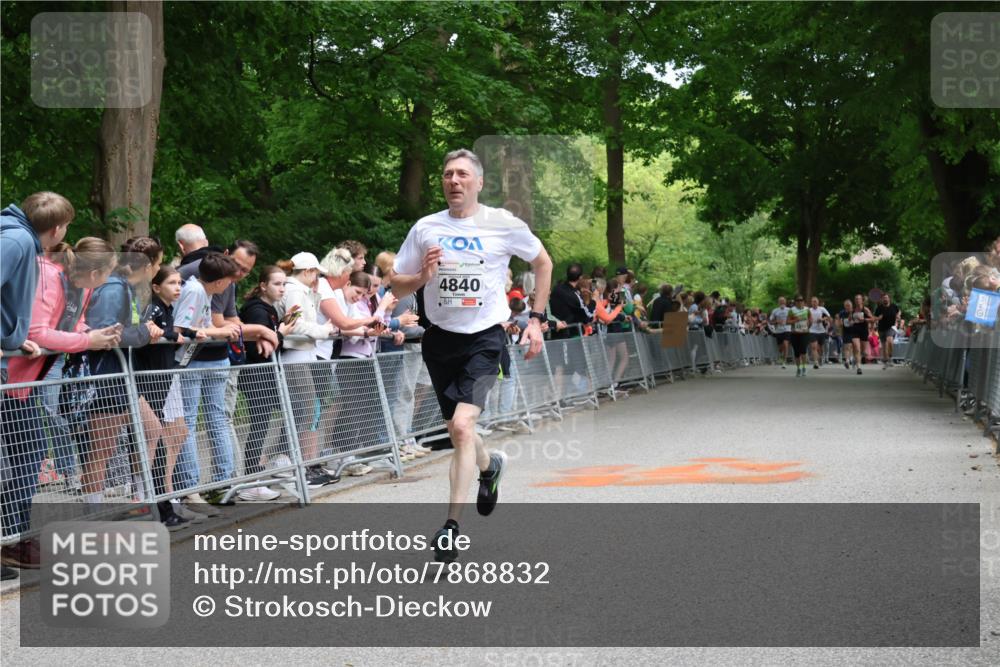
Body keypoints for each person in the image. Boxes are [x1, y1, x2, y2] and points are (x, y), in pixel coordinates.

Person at [391, 148, 553, 563]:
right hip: (440, 339)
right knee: (460, 431)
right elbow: (396, 284)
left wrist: (535, 318)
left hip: (486, 338)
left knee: (462, 426)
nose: (454, 181)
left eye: (463, 174)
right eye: (447, 174)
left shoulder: (503, 224)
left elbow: (543, 261)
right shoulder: (426, 227)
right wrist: (423, 277)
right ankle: (489, 466)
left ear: (479, 183)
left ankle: (450, 527)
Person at [1, 192, 76, 576]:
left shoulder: (18, 240)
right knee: (24, 454)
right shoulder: (15, 241)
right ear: (58, 228)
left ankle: (12, 537)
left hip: (14, 366)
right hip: (7, 372)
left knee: (27, 453)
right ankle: (10, 537)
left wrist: (13, 339)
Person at [82, 237, 165, 507]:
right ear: (149, 264)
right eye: (160, 263)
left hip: (123, 375)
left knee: (151, 430)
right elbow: (105, 333)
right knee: (102, 450)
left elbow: (127, 328)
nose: (159, 269)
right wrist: (143, 332)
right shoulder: (113, 287)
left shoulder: (125, 287)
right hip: (106, 376)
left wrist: (144, 328)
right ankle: (91, 514)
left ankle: (140, 499)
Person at [172, 253, 243, 513]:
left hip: (208, 360)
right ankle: (191, 487)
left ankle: (223, 483)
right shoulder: (193, 290)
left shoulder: (204, 291)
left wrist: (217, 331)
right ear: (219, 281)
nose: (229, 286)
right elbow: (183, 328)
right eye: (228, 281)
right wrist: (220, 332)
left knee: (217, 418)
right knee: (189, 421)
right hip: (190, 362)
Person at [276, 252, 339, 488]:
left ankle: (304, 465)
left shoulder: (302, 290)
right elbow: (296, 324)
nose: (317, 279)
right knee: (305, 410)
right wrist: (324, 331)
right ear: (307, 272)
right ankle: (300, 466)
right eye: (316, 274)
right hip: (296, 355)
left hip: (304, 354)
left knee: (307, 410)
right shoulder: (294, 290)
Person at [237, 266, 294, 499]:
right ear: (263, 285)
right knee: (259, 426)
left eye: (284, 284)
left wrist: (282, 325)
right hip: (256, 374)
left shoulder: (269, 309)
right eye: (277, 284)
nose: (282, 289)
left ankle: (260, 471)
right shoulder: (257, 311)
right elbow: (261, 347)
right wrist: (281, 332)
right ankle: (251, 480)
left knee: (269, 421)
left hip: (266, 374)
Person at [847, 294, 873, 375]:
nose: (857, 300)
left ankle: (856, 360)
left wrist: (864, 319)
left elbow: (873, 319)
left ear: (862, 300)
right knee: (857, 347)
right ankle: (859, 367)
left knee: (863, 351)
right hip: (855, 330)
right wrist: (850, 321)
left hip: (863, 330)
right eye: (856, 299)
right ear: (855, 301)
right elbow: (849, 320)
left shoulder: (865, 310)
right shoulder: (853, 310)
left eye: (859, 299)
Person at [873, 292, 901, 369]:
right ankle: (886, 361)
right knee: (884, 346)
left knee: (890, 341)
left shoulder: (893, 306)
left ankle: (890, 357)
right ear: (882, 299)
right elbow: (874, 318)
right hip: (881, 328)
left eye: (886, 297)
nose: (885, 299)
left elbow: (898, 312)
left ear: (889, 299)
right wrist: (878, 318)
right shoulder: (879, 308)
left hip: (890, 327)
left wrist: (898, 316)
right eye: (884, 298)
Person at [787, 295, 811, 377]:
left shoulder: (807, 309)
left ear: (803, 302)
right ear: (795, 302)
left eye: (801, 300)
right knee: (797, 353)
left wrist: (809, 325)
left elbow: (811, 319)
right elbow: (787, 321)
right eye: (798, 300)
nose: (800, 302)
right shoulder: (791, 310)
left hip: (804, 333)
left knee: (803, 350)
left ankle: (804, 367)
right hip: (795, 334)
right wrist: (794, 320)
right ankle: (798, 368)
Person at [807, 296, 831, 370]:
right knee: (814, 347)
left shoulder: (822, 309)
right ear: (811, 303)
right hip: (812, 330)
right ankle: (816, 362)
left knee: (820, 348)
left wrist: (822, 319)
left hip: (821, 330)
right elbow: (805, 318)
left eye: (815, 301)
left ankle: (821, 357)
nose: (814, 303)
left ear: (818, 302)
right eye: (813, 301)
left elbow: (829, 316)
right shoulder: (809, 310)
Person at [769, 297, 791, 369]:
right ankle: (781, 355)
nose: (782, 303)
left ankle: (784, 362)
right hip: (778, 331)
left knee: (786, 344)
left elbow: (794, 319)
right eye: (780, 301)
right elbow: (770, 321)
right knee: (780, 348)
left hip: (787, 330)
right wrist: (776, 322)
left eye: (783, 301)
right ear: (778, 303)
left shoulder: (789, 310)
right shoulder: (775, 311)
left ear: (785, 302)